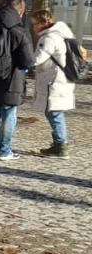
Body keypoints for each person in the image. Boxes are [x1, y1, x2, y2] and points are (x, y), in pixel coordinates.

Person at [0, 0, 35, 160]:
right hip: (13, 80)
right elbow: (28, 60)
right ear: (20, 12)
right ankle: (4, 150)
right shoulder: (20, 31)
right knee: (9, 114)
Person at [29, 9, 75, 159]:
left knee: (54, 112)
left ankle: (61, 146)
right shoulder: (60, 34)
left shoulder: (49, 38)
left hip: (54, 81)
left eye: (35, 24)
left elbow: (37, 59)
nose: (33, 27)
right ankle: (58, 143)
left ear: (43, 23)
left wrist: (23, 61)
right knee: (54, 112)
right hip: (60, 79)